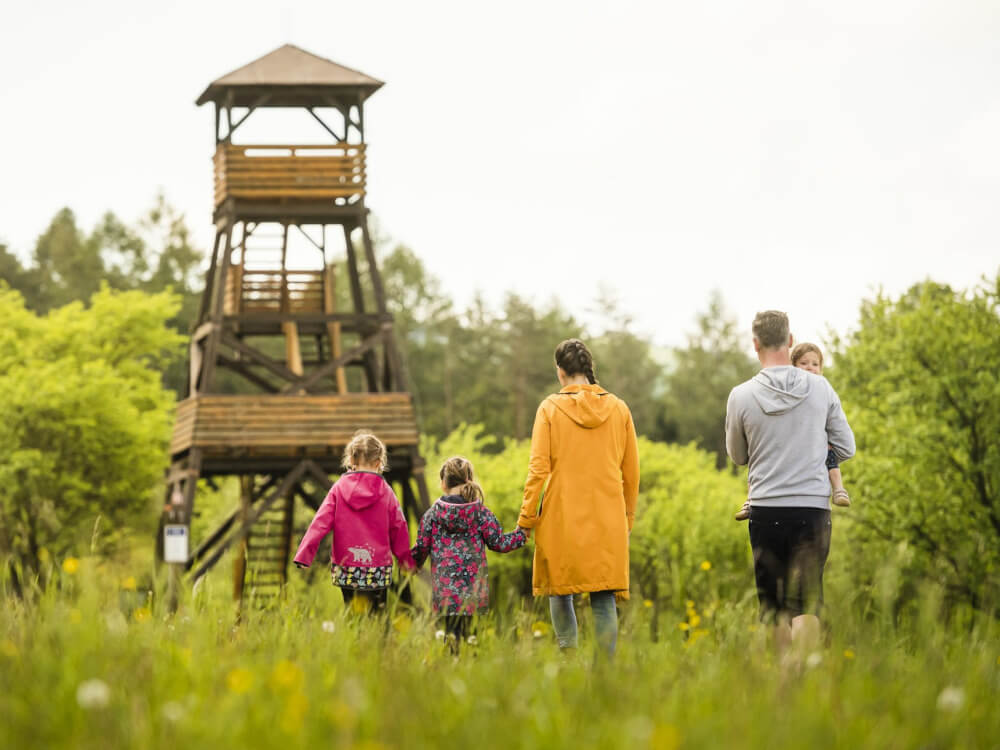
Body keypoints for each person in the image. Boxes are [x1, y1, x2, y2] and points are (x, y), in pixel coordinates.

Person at [725, 311, 855, 659]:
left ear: (755, 345)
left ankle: (782, 684)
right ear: (791, 340)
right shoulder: (821, 387)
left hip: (765, 509)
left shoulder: (740, 395)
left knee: (775, 605)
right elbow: (846, 447)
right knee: (807, 601)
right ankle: (804, 680)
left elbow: (738, 456)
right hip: (812, 508)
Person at [518, 339, 640, 659]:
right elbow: (632, 472)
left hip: (561, 515)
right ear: (588, 369)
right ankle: (604, 674)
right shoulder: (619, 408)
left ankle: (569, 662)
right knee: (603, 597)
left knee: (560, 591)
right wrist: (627, 518)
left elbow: (538, 469)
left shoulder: (549, 408)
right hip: (608, 515)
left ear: (560, 372)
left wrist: (527, 518)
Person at [411, 456, 526, 652]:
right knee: (471, 644)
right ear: (469, 480)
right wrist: (521, 534)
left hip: (445, 595)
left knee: (450, 644)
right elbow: (499, 543)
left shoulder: (432, 515)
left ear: (443, 484)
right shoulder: (481, 513)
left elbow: (421, 548)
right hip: (473, 594)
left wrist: (408, 562)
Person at [293, 431, 415, 613]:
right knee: (377, 615)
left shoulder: (338, 489)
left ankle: (355, 640)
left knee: (352, 612)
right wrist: (406, 562)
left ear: (350, 460)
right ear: (379, 463)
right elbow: (399, 527)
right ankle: (374, 640)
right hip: (378, 568)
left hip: (346, 567)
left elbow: (320, 522)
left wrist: (304, 555)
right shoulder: (386, 491)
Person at [734, 341, 851, 520]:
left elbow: (738, 456)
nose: (810, 368)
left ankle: (839, 490)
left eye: (815, 364)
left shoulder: (764, 393)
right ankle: (749, 499)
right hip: (812, 499)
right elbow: (847, 447)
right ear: (792, 366)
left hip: (767, 498)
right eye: (804, 364)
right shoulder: (823, 392)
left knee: (758, 458)